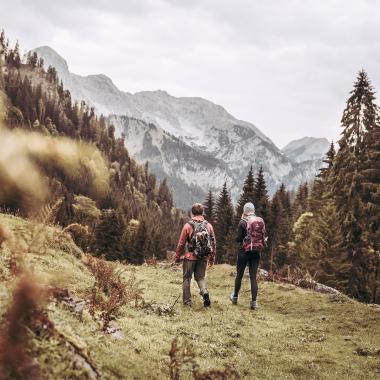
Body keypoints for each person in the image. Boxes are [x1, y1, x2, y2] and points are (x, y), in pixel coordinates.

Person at [174, 203, 216, 307]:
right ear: (202, 212)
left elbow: (181, 243)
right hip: (203, 256)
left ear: (192, 213)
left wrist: (177, 256)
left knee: (187, 278)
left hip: (190, 257)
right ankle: (204, 292)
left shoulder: (188, 225)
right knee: (200, 277)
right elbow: (213, 242)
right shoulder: (208, 225)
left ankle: (187, 301)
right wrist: (212, 257)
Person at [230, 202, 266, 310]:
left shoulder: (242, 222)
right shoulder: (259, 221)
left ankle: (235, 297)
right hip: (256, 252)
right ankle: (254, 302)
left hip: (244, 252)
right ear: (253, 210)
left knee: (239, 275)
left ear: (244, 211)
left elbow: (238, 238)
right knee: (253, 276)